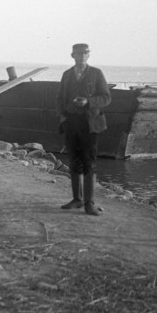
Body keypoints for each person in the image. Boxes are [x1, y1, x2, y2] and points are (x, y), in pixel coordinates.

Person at [57, 43, 112, 216]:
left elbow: (106, 97)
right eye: (78, 53)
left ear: (89, 55)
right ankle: (77, 199)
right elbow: (59, 99)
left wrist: (88, 102)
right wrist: (63, 115)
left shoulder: (96, 74)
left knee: (89, 163)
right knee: (74, 160)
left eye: (85, 53)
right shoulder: (66, 75)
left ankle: (89, 203)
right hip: (71, 123)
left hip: (90, 125)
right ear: (72, 55)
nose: (81, 56)